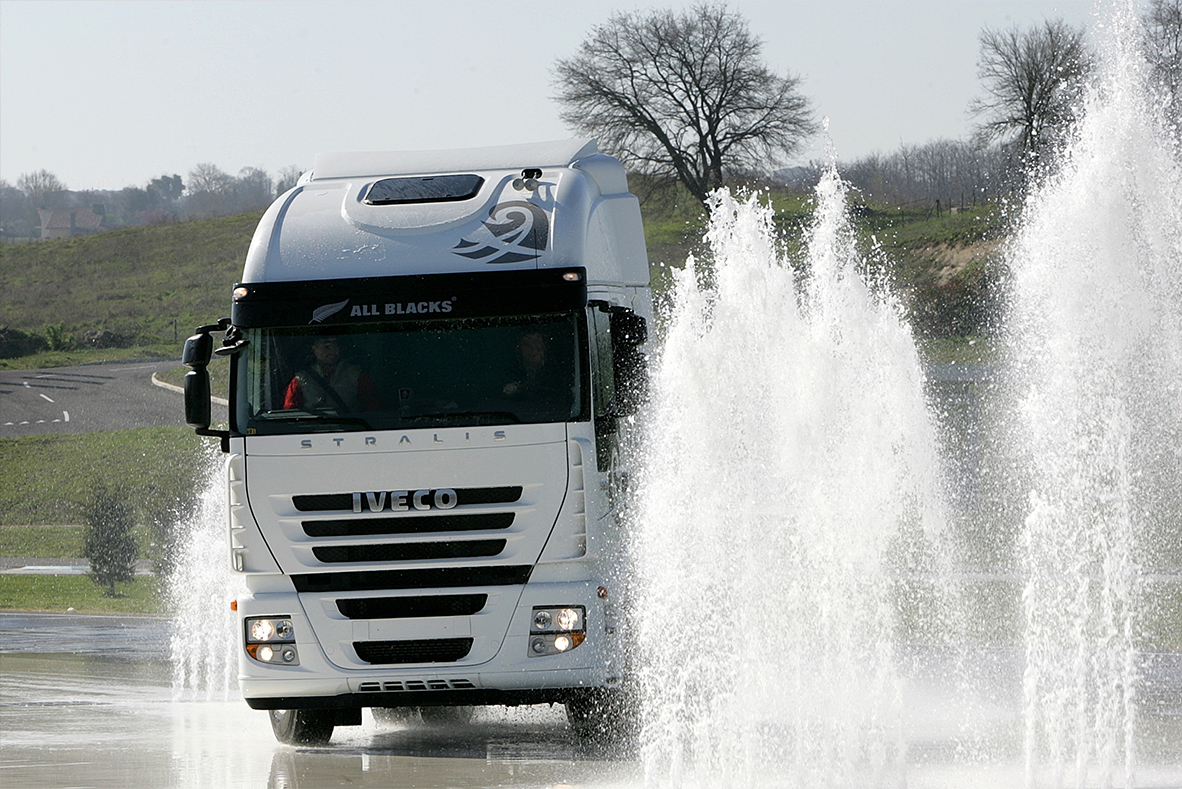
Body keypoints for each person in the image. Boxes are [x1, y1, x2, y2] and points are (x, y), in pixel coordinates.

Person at [283, 336, 382, 412]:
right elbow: (290, 413)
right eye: (327, 346)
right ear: (314, 349)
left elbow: (373, 409)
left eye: (336, 345)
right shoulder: (300, 379)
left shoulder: (357, 376)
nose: (333, 351)